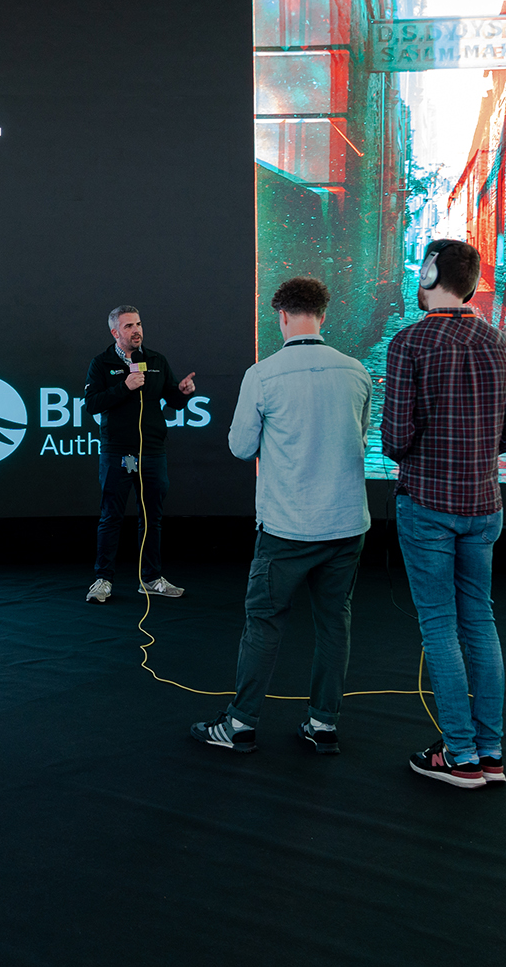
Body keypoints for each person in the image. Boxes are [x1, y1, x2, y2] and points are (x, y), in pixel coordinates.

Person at [191, 277, 372, 755]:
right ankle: (323, 724)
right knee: (334, 625)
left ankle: (241, 724)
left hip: (287, 527)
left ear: (282, 317)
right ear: (323, 316)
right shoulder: (356, 371)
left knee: (264, 623)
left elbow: (240, 447)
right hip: (346, 524)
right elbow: (361, 438)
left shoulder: (263, 374)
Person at [381, 239, 506, 789]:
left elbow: (394, 440)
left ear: (428, 276)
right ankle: (490, 754)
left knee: (439, 627)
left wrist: (432, 451)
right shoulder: (499, 342)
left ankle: (460, 756)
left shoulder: (409, 343)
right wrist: (476, 450)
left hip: (427, 506)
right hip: (484, 506)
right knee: (480, 623)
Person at [83, 306, 195, 603]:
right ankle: (103, 580)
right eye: (129, 326)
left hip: (152, 452)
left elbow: (172, 400)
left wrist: (184, 393)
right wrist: (124, 386)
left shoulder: (156, 360)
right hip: (120, 453)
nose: (136, 330)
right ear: (115, 332)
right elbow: (92, 404)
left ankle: (151, 578)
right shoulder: (102, 363)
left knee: (151, 517)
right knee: (112, 516)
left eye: (139, 324)